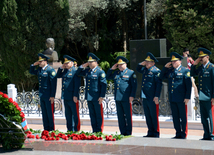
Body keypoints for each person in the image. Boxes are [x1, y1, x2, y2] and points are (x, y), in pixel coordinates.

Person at [159, 52, 192, 139]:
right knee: (175, 117)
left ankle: (184, 133)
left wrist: (187, 96)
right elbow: (161, 76)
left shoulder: (185, 71)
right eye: (172, 62)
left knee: (183, 117)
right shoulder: (170, 71)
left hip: (181, 98)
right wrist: (165, 67)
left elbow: (188, 85)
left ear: (180, 61)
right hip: (172, 97)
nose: (173, 63)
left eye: (175, 61)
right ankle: (178, 133)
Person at [76, 53, 107, 133]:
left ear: (96, 62)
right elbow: (77, 73)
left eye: (91, 62)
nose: (89, 63)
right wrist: (83, 66)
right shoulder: (87, 71)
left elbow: (103, 85)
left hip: (97, 97)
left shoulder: (100, 72)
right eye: (89, 62)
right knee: (92, 115)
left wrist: (102, 96)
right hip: (89, 97)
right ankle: (94, 130)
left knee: (98, 115)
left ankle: (99, 130)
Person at [106, 56, 137, 136]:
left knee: (128, 115)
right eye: (118, 65)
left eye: (121, 64)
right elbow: (108, 77)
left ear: (125, 64)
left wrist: (132, 95)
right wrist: (112, 69)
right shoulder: (116, 73)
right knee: (120, 116)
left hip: (126, 97)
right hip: (118, 97)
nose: (120, 66)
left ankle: (128, 132)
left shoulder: (130, 73)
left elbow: (134, 85)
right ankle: (122, 131)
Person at [190, 47, 214, 140]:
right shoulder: (200, 68)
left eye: (202, 57)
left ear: (207, 57)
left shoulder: (212, 68)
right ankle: (206, 134)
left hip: (209, 97)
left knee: (211, 118)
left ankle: (212, 135)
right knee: (203, 118)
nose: (200, 59)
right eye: (199, 57)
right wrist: (193, 65)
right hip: (202, 96)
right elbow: (192, 74)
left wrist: (213, 96)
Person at [136, 52, 162, 138]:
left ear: (153, 63)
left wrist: (156, 96)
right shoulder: (145, 70)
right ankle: (150, 131)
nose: (147, 63)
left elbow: (159, 84)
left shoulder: (156, 71)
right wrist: (141, 64)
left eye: (149, 62)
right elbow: (138, 69)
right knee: (147, 115)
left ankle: (156, 132)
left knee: (153, 115)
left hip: (152, 97)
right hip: (145, 96)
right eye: (146, 62)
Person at [29, 53, 57, 131]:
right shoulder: (40, 69)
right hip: (42, 95)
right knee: (44, 114)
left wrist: (52, 96)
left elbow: (53, 84)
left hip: (48, 96)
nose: (40, 63)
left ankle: (51, 130)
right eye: (39, 61)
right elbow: (31, 72)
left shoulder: (50, 70)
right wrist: (34, 64)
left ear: (45, 61)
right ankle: (46, 129)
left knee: (50, 114)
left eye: (41, 61)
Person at [56, 55, 81, 132]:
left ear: (72, 63)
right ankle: (69, 129)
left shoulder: (75, 71)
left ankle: (75, 130)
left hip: (72, 96)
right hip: (66, 96)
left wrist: (75, 95)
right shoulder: (65, 71)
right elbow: (57, 76)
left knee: (74, 114)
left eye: (67, 63)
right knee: (68, 115)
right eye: (65, 63)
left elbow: (77, 84)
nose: (66, 65)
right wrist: (60, 68)